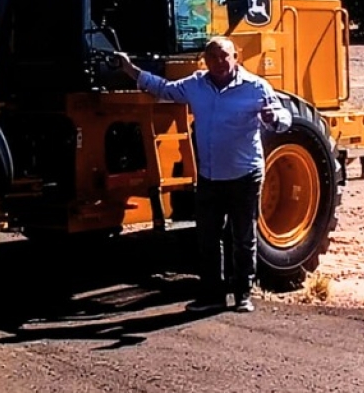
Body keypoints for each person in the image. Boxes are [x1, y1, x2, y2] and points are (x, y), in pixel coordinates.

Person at [116, 37, 292, 314]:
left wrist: (274, 119)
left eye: (225, 57)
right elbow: (163, 89)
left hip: (245, 175)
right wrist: (130, 69)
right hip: (210, 176)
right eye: (213, 58)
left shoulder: (255, 87)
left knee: (243, 236)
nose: (219, 63)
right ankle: (212, 295)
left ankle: (243, 293)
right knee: (208, 237)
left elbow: (283, 118)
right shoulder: (195, 85)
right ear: (205, 61)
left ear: (236, 57)